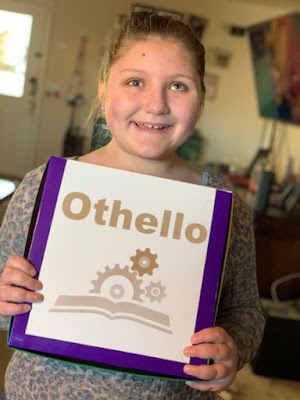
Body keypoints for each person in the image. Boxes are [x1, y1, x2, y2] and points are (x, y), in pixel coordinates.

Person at [0, 12, 264, 400]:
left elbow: (245, 312)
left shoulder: (223, 206)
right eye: (135, 81)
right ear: (104, 87)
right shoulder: (45, 186)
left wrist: (232, 349)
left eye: (178, 86)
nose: (155, 104)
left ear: (201, 97)